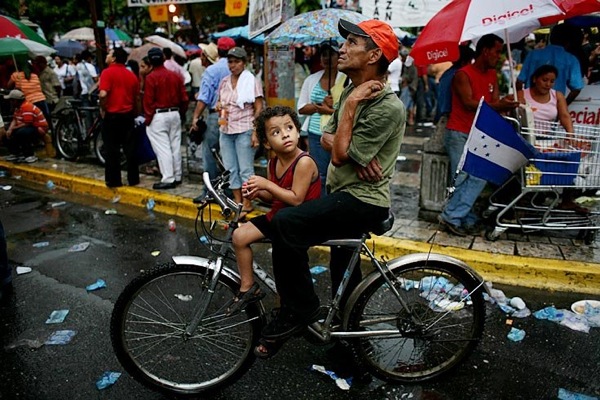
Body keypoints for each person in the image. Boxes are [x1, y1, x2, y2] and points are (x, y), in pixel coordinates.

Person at [253, 19, 405, 359]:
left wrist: (346, 127)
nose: (342, 48)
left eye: (352, 42)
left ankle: (301, 310)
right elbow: (325, 138)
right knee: (343, 275)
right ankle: (352, 347)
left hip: (363, 200)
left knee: (287, 223)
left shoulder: (386, 106)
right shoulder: (351, 89)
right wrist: (345, 144)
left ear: (374, 55)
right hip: (343, 195)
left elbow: (335, 154)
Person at [228, 106, 321, 314]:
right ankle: (247, 286)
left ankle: (288, 310)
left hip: (299, 223)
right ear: (267, 143)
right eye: (276, 132)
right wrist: (259, 193)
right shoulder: (273, 163)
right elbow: (275, 196)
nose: (285, 134)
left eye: (289, 127)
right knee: (239, 236)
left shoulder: (303, 162)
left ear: (298, 131)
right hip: (279, 217)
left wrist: (266, 185)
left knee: (286, 275)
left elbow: (296, 199)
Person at [438, 34, 520, 237]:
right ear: (485, 51)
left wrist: (505, 102)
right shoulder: (463, 74)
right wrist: (499, 105)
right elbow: (468, 103)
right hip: (459, 132)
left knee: (479, 176)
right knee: (462, 176)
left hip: (480, 134)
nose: (499, 56)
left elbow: (493, 102)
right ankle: (454, 216)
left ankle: (454, 215)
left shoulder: (492, 75)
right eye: (497, 51)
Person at [216, 47, 264, 217]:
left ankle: (248, 202)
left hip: (245, 128)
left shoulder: (251, 81)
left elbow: (258, 107)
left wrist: (255, 132)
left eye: (236, 61)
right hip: (226, 129)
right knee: (230, 169)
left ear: (244, 63)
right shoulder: (224, 82)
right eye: (230, 62)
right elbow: (219, 102)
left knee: (245, 169)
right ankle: (238, 201)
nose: (233, 65)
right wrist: (219, 107)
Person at [298, 41, 346, 196]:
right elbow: (302, 108)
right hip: (315, 135)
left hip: (338, 135)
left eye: (331, 54)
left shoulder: (347, 80)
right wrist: (319, 106)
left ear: (338, 55)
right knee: (320, 174)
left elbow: (349, 110)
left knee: (337, 175)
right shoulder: (311, 79)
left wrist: (330, 109)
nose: (327, 58)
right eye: (324, 54)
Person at [190, 38, 236, 201]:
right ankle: (230, 190)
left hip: (217, 115)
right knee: (229, 153)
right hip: (235, 116)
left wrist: (195, 117)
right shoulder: (238, 68)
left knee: (210, 152)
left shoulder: (213, 70)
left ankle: (210, 191)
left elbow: (204, 98)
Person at [143, 47, 189, 189]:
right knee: (175, 146)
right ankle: (177, 175)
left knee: (163, 148)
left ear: (150, 61)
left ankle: (168, 178)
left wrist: (148, 119)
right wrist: (181, 113)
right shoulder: (175, 76)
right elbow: (184, 98)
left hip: (158, 114)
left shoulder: (150, 77)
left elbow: (148, 101)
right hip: (174, 113)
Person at [98, 47, 141, 188]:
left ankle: (114, 180)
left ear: (114, 58)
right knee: (130, 149)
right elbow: (137, 97)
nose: (107, 55)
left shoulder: (107, 73)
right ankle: (133, 178)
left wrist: (103, 108)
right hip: (128, 115)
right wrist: (136, 112)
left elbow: (103, 94)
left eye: (110, 53)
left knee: (112, 150)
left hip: (112, 115)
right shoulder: (131, 75)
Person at [517, 24, 584, 105]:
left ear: (551, 37)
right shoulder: (571, 60)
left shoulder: (533, 54)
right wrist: (564, 104)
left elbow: (519, 81)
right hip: (553, 105)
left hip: (530, 103)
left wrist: (520, 99)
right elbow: (576, 88)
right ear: (569, 42)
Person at [2, 89, 49, 163]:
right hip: (27, 126)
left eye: (11, 100)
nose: (10, 102)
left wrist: (13, 129)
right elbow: (15, 119)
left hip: (38, 128)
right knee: (4, 132)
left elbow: (27, 123)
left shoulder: (26, 106)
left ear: (15, 100)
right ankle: (15, 153)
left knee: (21, 133)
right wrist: (10, 129)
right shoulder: (17, 107)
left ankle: (29, 155)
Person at [8, 61, 51, 127]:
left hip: (29, 102)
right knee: (45, 121)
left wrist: (16, 86)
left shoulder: (16, 75)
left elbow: (9, 85)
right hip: (41, 100)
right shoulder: (35, 75)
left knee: (32, 123)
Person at [399, 48, 417, 126]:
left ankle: (403, 121)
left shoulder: (408, 63)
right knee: (410, 104)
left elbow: (408, 76)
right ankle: (410, 119)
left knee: (404, 103)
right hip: (413, 86)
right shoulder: (410, 61)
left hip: (409, 86)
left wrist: (404, 81)